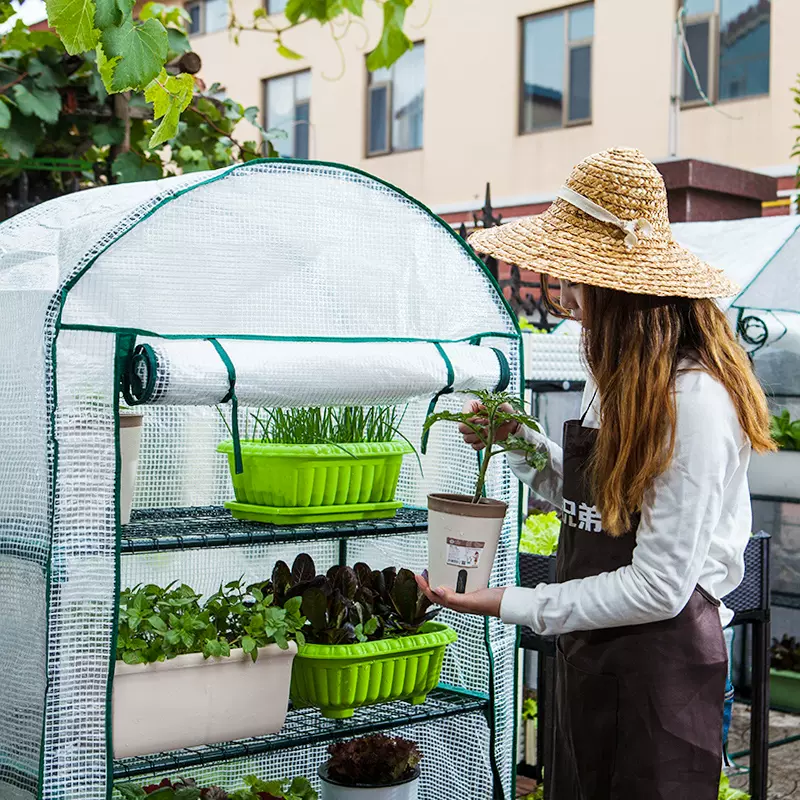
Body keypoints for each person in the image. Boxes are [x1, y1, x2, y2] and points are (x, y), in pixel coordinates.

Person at [416, 148, 774, 799]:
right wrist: (521, 447)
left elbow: (659, 588)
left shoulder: (692, 402)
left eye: (580, 282)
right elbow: (599, 503)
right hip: (593, 651)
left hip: (661, 669)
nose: (569, 301)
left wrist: (508, 603)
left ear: (624, 289)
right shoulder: (620, 381)